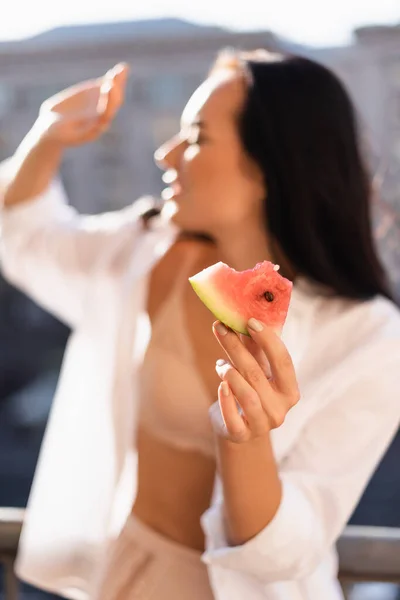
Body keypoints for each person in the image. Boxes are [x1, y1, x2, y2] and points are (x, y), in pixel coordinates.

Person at [0, 50, 399, 600]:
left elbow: (289, 552)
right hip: (128, 572)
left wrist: (247, 439)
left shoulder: (370, 338)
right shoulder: (149, 253)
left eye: (196, 138)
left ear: (268, 169)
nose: (167, 154)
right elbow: (23, 239)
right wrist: (47, 136)